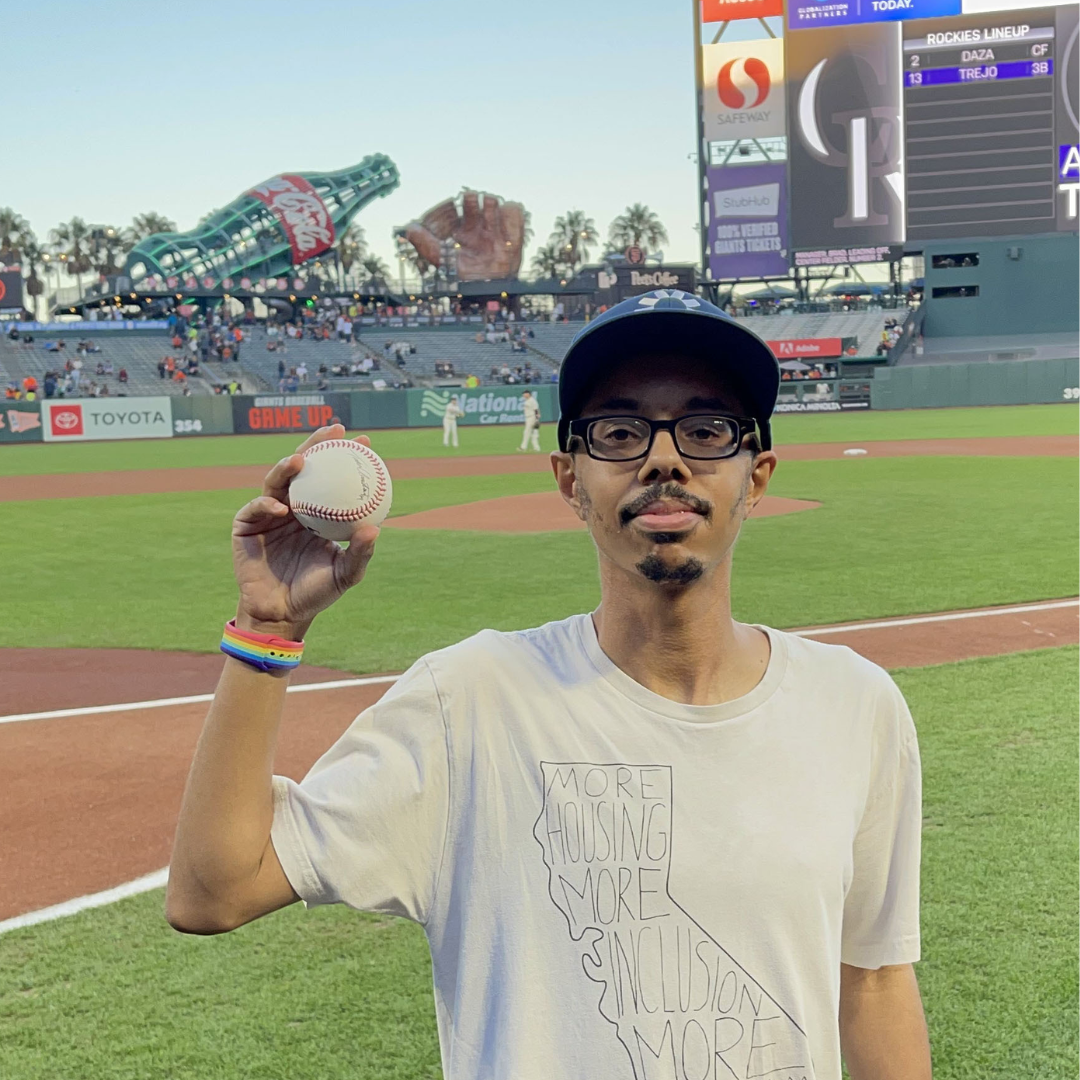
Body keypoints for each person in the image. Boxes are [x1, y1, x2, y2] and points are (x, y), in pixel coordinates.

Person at [166, 288, 930, 1080]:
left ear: (757, 474)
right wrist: (269, 630)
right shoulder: (469, 702)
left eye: (706, 431)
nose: (664, 458)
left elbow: (873, 984)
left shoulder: (856, 705)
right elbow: (211, 893)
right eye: (620, 432)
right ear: (570, 478)